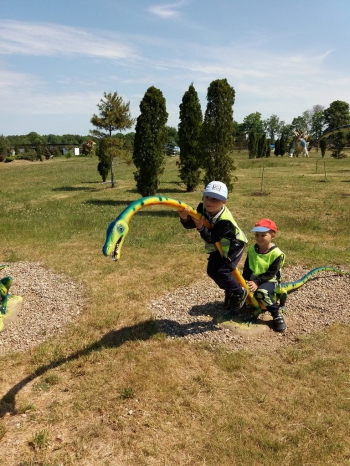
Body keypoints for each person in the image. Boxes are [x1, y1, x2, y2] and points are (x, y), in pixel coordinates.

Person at [178, 181, 248, 314]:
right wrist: (184, 218)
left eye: (215, 199)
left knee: (223, 273)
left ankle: (239, 292)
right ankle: (230, 289)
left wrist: (200, 228)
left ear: (224, 202)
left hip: (233, 246)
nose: (209, 201)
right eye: (207, 197)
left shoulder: (225, 221)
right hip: (218, 246)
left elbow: (212, 237)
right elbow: (192, 224)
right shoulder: (202, 208)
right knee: (212, 271)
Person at [242, 218, 286, 332]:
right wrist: (245, 280)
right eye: (257, 235)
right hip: (254, 278)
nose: (259, 238)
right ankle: (234, 307)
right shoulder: (252, 249)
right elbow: (247, 267)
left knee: (262, 292)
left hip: (270, 280)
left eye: (263, 235)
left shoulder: (277, 253)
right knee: (236, 284)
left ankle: (276, 315)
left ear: (272, 235)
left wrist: (257, 282)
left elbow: (272, 273)